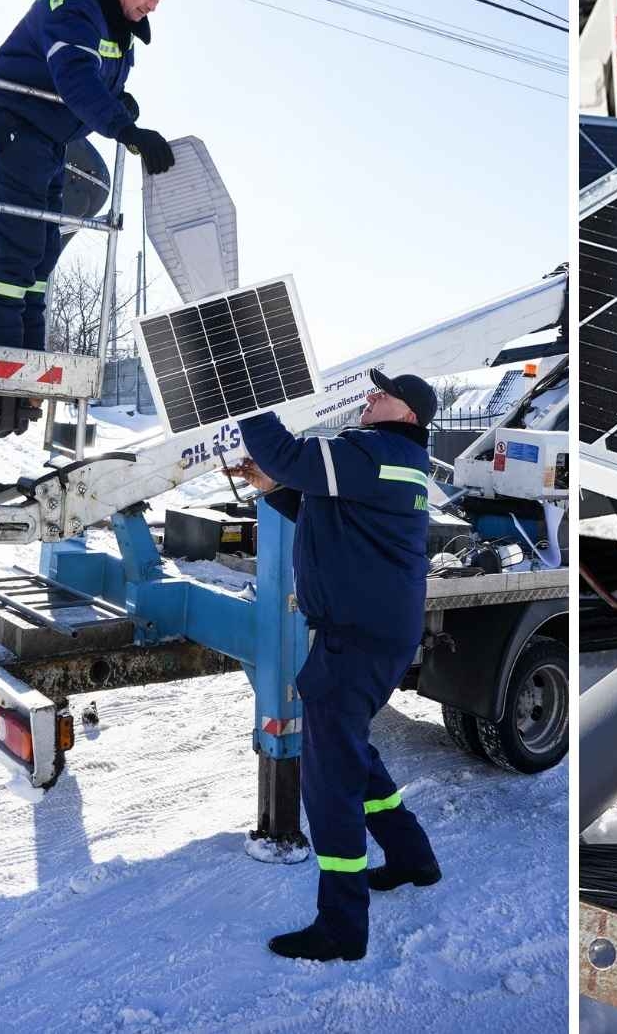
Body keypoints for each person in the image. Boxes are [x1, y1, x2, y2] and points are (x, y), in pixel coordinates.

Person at [231, 369, 444, 962]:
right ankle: (413, 857)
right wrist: (275, 487)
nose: (371, 396)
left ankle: (343, 928)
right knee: (349, 749)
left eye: (384, 393)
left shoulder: (374, 452)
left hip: (355, 640)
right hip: (374, 634)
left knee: (329, 778)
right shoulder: (395, 461)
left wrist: (246, 396)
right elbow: (327, 509)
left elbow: (287, 453)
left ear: (408, 414)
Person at [0, 0, 180, 350]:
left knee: (44, 253)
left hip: (52, 139)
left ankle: (27, 363)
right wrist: (125, 129)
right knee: (20, 247)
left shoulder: (120, 23)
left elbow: (97, 80)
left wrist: (119, 101)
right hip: (16, 121)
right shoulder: (77, 2)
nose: (153, 5)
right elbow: (74, 76)